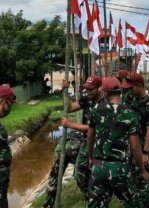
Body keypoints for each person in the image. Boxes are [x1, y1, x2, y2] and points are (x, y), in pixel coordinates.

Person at [87, 76, 149, 208]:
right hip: (120, 169)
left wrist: (91, 158)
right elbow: (135, 147)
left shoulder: (96, 110)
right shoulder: (129, 114)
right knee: (133, 203)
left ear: (104, 92)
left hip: (99, 167)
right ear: (120, 91)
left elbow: (90, 137)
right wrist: (142, 171)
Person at [43, 76, 104, 207]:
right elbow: (69, 108)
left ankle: (93, 197)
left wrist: (71, 125)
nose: (87, 92)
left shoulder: (105, 104)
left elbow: (95, 129)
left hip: (97, 143)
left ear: (100, 88)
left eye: (91, 89)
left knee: (83, 175)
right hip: (84, 140)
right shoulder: (87, 99)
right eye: (86, 89)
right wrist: (65, 91)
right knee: (65, 156)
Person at [122, 73, 149, 208]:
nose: (128, 90)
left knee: (143, 175)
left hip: (144, 143)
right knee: (133, 174)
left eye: (131, 87)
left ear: (140, 86)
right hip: (133, 143)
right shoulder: (131, 97)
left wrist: (145, 153)